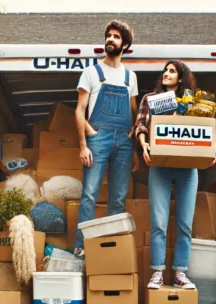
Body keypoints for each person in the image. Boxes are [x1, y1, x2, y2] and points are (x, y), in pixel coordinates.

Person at [134, 60, 216, 289]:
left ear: (181, 78)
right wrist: (144, 146)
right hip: (159, 166)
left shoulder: (192, 102)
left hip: (188, 169)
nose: (166, 74)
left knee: (184, 224)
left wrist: (213, 150)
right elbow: (140, 126)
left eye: (172, 71)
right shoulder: (151, 99)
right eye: (165, 70)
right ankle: (158, 273)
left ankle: (180, 273)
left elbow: (207, 130)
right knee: (159, 222)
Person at [73, 20, 140, 257]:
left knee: (118, 198)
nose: (110, 39)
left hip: (123, 142)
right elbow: (80, 109)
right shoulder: (91, 72)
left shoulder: (130, 77)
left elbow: (134, 113)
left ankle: (112, 249)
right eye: (108, 36)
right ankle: (80, 247)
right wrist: (85, 142)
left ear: (125, 45)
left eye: (116, 37)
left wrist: (132, 144)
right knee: (89, 194)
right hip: (97, 140)